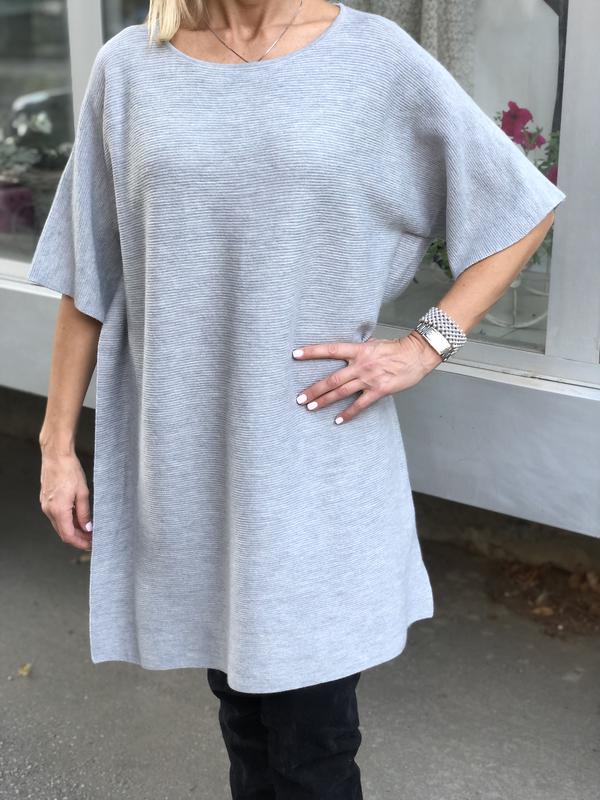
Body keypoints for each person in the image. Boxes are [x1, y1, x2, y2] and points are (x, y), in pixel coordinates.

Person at [27, 1, 566, 797]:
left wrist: (427, 343)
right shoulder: (131, 68)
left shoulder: (374, 59)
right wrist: (56, 448)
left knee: (311, 747)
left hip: (315, 465)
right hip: (192, 467)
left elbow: (520, 206)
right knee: (245, 723)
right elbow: (87, 278)